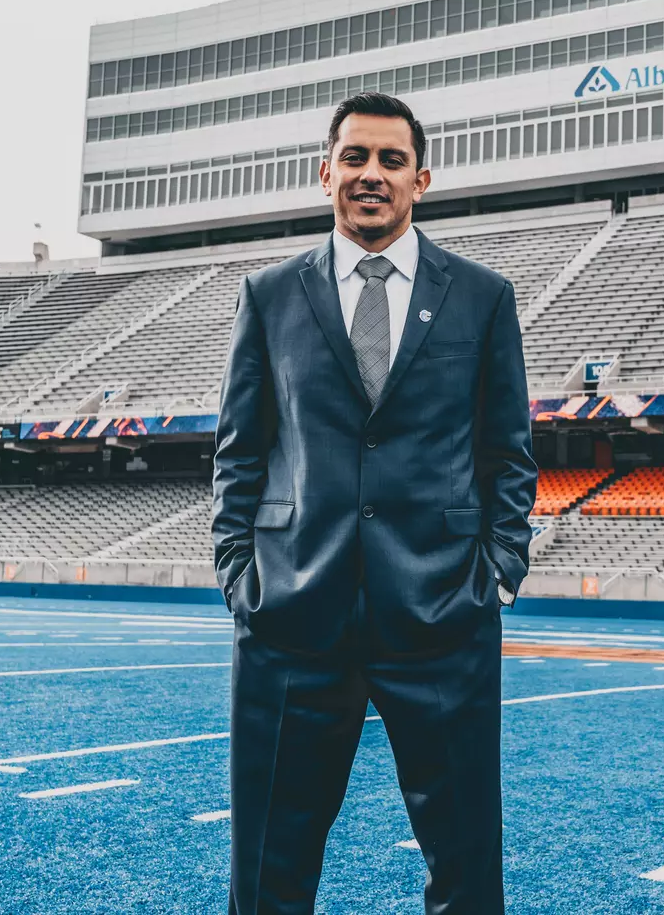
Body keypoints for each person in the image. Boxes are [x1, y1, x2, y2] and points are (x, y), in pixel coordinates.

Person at [213, 91, 537, 914]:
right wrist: (238, 575)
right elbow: (240, 451)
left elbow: (506, 451)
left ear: (420, 180)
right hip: (291, 611)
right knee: (268, 863)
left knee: (465, 858)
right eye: (355, 157)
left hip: (441, 613)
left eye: (391, 160)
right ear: (324, 173)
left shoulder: (482, 296)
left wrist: (496, 571)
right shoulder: (268, 295)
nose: (371, 174)